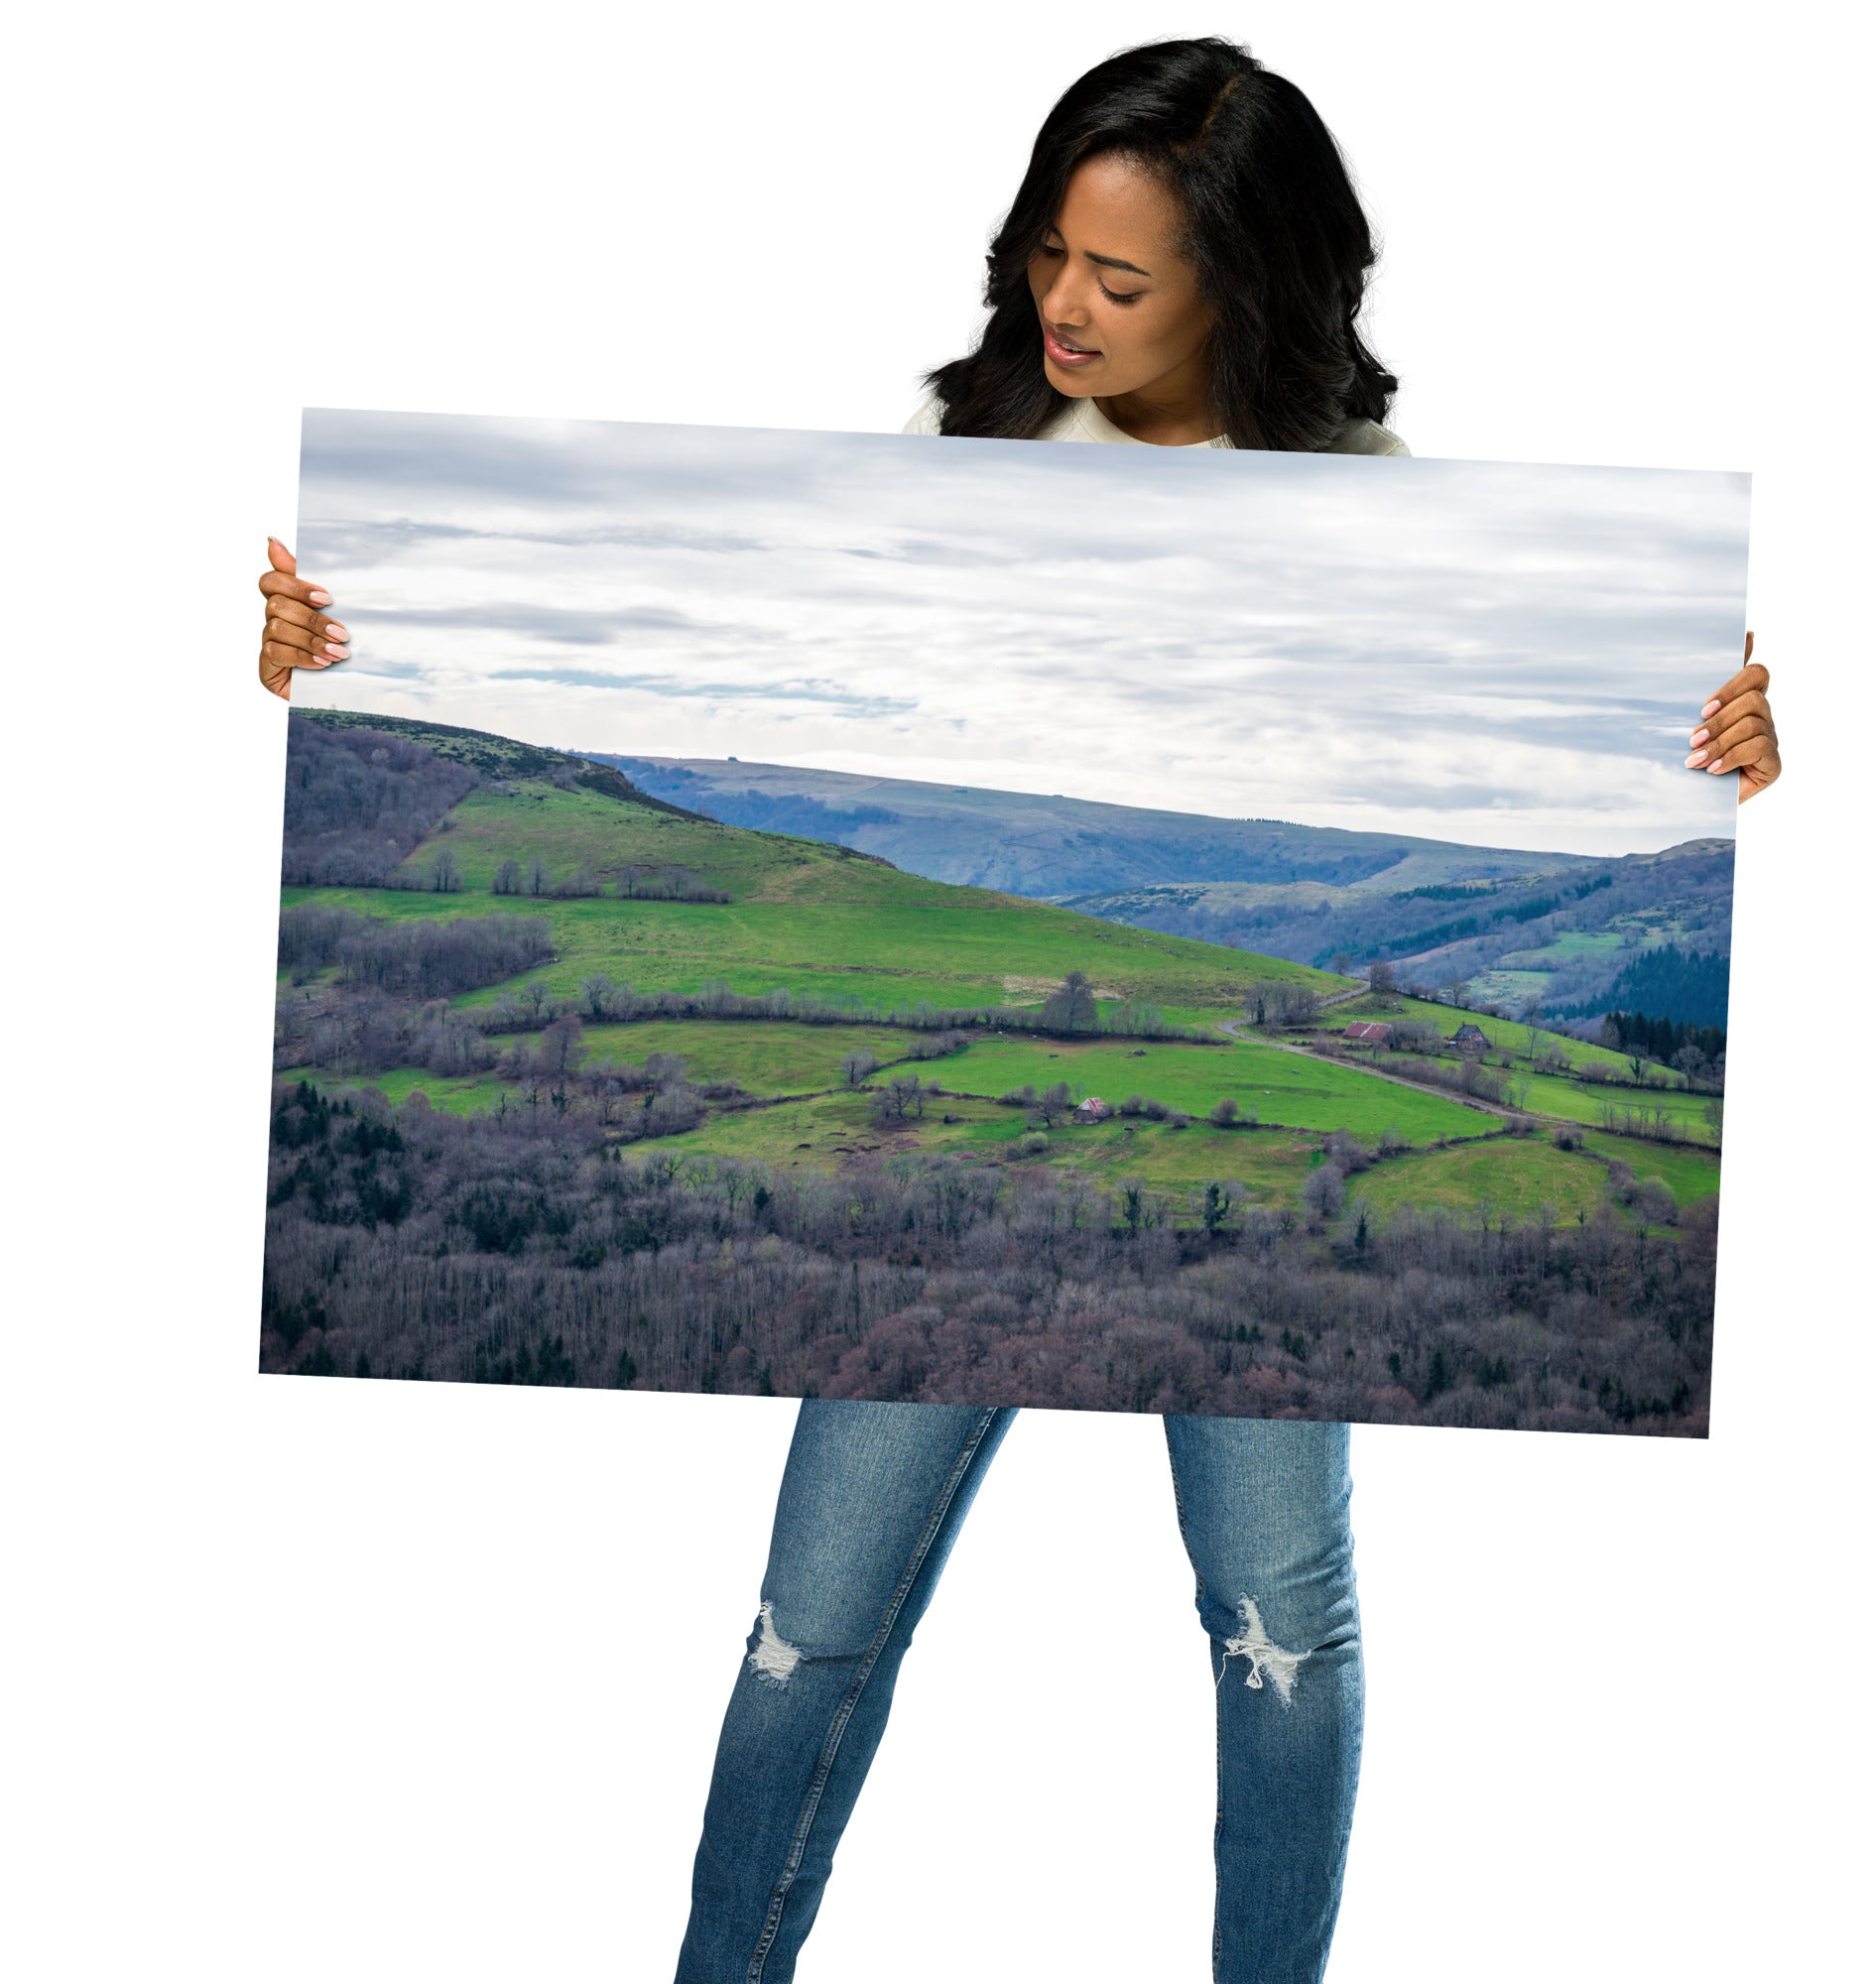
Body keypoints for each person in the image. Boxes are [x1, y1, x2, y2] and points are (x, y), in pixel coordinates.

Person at [254, 39, 1781, 1982]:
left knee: (1278, 1626)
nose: (1063, 305)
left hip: (1251, 1175)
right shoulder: (954, 449)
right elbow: (724, 644)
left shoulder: (1376, 504)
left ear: (1249, 280)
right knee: (810, 1622)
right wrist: (340, 641)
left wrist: (1722, 749)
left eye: (1120, 279)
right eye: (1050, 252)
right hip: (947, 1188)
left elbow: (1617, 747)